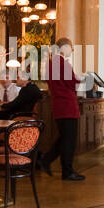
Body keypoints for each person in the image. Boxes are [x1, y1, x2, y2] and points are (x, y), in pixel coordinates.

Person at [41, 37, 84, 181]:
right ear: (64, 47)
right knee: (69, 140)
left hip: (58, 105)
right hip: (68, 105)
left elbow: (51, 81)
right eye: (71, 48)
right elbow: (71, 83)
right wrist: (80, 78)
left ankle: (45, 160)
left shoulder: (50, 64)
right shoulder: (63, 63)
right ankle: (67, 171)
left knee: (64, 138)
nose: (71, 51)